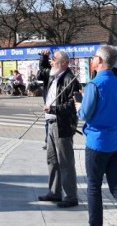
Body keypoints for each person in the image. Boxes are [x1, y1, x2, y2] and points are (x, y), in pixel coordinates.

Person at [75, 45, 117, 225]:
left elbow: (85, 114)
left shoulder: (94, 84)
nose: (92, 59)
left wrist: (79, 106)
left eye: (94, 57)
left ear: (100, 61)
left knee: (94, 187)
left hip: (98, 143)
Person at [37, 49, 81, 208]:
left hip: (62, 124)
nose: (51, 61)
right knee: (52, 160)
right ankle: (54, 192)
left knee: (65, 162)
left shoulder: (70, 79)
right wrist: (44, 57)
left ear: (64, 63)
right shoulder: (53, 75)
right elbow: (40, 73)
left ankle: (71, 197)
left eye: (54, 59)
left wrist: (54, 109)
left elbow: (74, 105)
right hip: (50, 122)